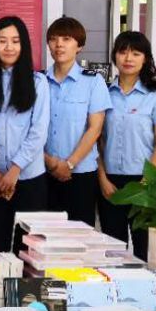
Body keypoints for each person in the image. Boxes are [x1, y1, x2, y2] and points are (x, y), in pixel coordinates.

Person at [96, 31, 156, 258]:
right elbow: (97, 140)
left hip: (145, 180)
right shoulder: (104, 93)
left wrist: (147, 181)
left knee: (145, 249)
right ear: (114, 56)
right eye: (123, 52)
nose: (128, 58)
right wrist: (102, 179)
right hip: (111, 182)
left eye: (136, 53)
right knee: (113, 250)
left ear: (145, 58)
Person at [0, 15, 50, 254]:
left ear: (24, 45)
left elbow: (38, 132)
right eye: (2, 41)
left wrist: (14, 170)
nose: (9, 47)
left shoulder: (38, 82)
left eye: (15, 41)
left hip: (29, 178)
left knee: (28, 252)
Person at [43, 16, 110, 225]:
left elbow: (95, 128)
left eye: (66, 39)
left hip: (80, 174)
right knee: (45, 236)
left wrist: (69, 164)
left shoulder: (93, 81)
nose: (59, 44)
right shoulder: (39, 81)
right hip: (44, 171)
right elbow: (30, 128)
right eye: (53, 39)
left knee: (80, 236)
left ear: (79, 46)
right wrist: (50, 162)